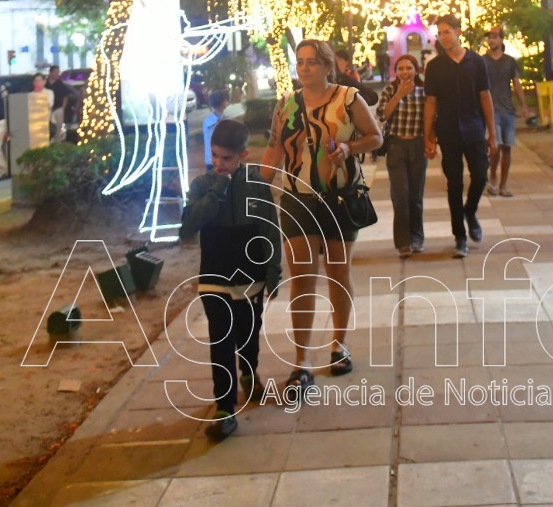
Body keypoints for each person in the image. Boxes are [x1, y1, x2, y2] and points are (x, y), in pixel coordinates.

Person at [263, 39, 383, 399]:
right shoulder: (286, 104)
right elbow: (273, 149)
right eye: (300, 62)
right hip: (297, 199)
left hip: (338, 199)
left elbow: (375, 137)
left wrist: (349, 148)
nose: (304, 68)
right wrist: (252, 185)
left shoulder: (348, 98)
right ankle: (300, 363)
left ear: (328, 66)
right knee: (301, 279)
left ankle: (338, 345)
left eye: (312, 62)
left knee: (338, 273)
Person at [179, 118, 281, 442]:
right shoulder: (202, 185)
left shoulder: (256, 185)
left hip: (250, 277)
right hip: (214, 276)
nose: (219, 163)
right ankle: (225, 407)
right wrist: (217, 191)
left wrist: (273, 273)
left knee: (248, 334)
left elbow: (270, 230)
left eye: (227, 158)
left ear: (243, 155)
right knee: (221, 341)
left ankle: (249, 372)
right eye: (215, 156)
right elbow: (188, 225)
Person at [423, 15, 496, 258]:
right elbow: (431, 102)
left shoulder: (476, 62)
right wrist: (428, 135)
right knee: (454, 184)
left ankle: (470, 211)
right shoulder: (434, 67)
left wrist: (492, 133)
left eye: (447, 32)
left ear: (458, 32)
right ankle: (460, 237)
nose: (443, 37)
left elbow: (485, 96)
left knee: (481, 175)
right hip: (448, 131)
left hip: (474, 128)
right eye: (440, 33)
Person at [377, 53, 429, 257]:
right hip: (396, 146)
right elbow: (382, 115)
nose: (405, 72)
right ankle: (403, 242)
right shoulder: (390, 90)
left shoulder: (424, 90)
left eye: (409, 68)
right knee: (400, 196)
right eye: (400, 68)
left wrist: (430, 142)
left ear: (416, 70)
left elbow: (431, 117)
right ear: (396, 71)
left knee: (416, 196)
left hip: (417, 145)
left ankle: (417, 238)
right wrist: (398, 95)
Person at [482, 26, 529, 198]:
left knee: (507, 147)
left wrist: (523, 106)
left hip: (507, 109)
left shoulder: (509, 61)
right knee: (495, 147)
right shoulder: (482, 61)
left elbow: (516, 84)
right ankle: (493, 178)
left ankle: (503, 184)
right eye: (489, 37)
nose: (491, 40)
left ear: (501, 39)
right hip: (490, 110)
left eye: (495, 37)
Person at [46, 65, 76, 142]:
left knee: (58, 127)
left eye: (58, 72)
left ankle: (58, 142)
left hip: (58, 108)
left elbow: (65, 97)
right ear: (50, 73)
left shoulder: (60, 84)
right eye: (55, 72)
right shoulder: (45, 84)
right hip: (47, 110)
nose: (57, 74)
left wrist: (63, 108)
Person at [201, 90, 229, 168]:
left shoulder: (209, 120)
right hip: (213, 161)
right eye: (225, 99)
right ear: (223, 102)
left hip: (221, 159)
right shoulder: (210, 122)